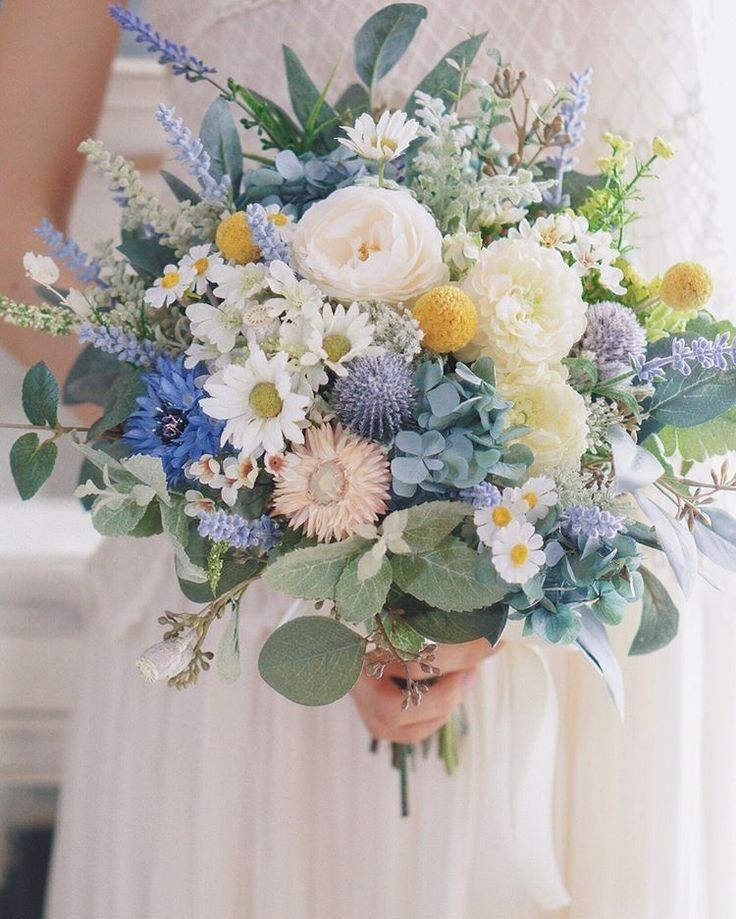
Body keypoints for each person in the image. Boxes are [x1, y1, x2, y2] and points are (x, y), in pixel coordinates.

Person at [2, 1, 735, 917]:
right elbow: (7, 210)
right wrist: (233, 470)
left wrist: (525, 521)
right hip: (257, 602)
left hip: (607, 577)